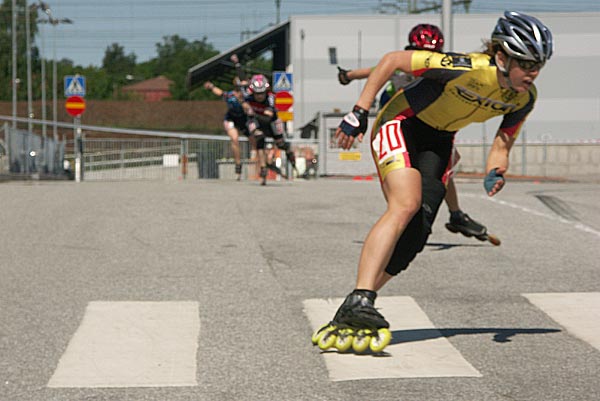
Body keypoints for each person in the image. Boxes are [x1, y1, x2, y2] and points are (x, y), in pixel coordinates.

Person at [313, 11, 553, 353]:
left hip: (439, 142)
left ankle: (354, 305)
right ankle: (361, 297)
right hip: (401, 123)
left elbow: (502, 145)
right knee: (405, 204)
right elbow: (393, 60)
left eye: (539, 65)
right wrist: (359, 111)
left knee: (418, 232)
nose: (533, 73)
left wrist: (496, 168)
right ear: (502, 57)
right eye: (527, 64)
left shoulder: (524, 98)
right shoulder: (464, 66)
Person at [337, 23, 493, 244]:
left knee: (446, 164)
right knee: (414, 174)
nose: (426, 59)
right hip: (400, 122)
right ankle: (408, 216)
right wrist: (350, 76)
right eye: (421, 53)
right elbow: (379, 68)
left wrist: (349, 76)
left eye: (433, 55)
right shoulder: (403, 66)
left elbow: (370, 70)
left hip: (427, 122)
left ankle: (455, 214)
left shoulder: (440, 69)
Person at [242, 74, 297, 186]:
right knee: (259, 139)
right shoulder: (248, 96)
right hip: (256, 121)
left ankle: (288, 150)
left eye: (262, 93)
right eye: (257, 93)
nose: (260, 96)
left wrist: (253, 112)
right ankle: (263, 169)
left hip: (271, 121)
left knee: (280, 144)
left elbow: (267, 119)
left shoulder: (271, 98)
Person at [203, 77, 249, 181]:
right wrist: (211, 87)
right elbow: (220, 93)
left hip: (243, 119)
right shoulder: (230, 95)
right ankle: (238, 165)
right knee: (234, 139)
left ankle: (261, 165)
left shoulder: (247, 97)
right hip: (231, 118)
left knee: (254, 140)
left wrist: (242, 101)